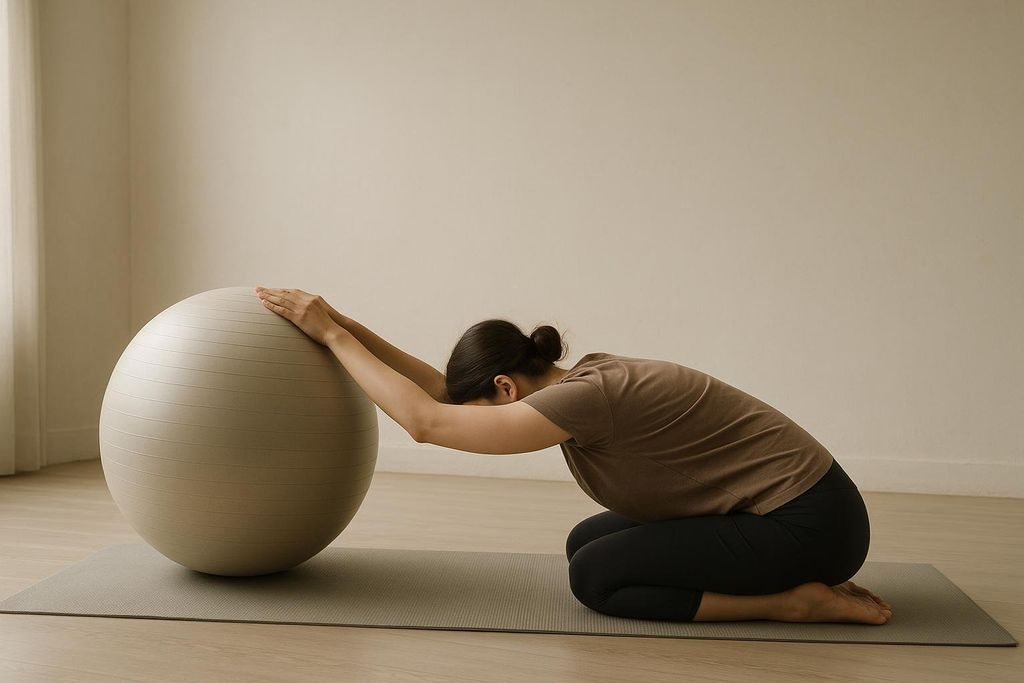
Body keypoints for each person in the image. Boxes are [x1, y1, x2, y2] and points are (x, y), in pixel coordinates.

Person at [254, 286, 893, 625]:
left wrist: (333, 336)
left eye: (483, 407)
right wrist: (338, 319)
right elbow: (442, 396)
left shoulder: (588, 400)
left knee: (597, 579)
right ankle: (783, 578)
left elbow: (425, 422)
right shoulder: (575, 382)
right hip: (796, 509)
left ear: (505, 387)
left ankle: (792, 602)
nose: (473, 418)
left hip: (811, 524)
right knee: (588, 543)